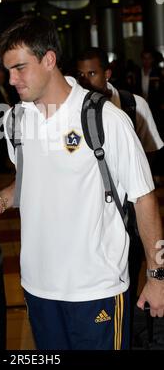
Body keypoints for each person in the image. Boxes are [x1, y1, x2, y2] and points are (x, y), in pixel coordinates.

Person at [0, 15, 164, 350]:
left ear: (48, 59)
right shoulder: (15, 120)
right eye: (8, 70)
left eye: (20, 68)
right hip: (38, 287)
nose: (11, 79)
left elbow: (143, 197)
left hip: (96, 288)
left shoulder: (105, 118)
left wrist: (156, 276)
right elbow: (29, 181)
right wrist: (1, 200)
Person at [76, 47, 164, 341]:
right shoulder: (72, 109)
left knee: (128, 276)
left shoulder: (132, 104)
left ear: (107, 74)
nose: (86, 80)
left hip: (131, 214)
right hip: (93, 215)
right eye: (81, 74)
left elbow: (150, 153)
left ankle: (126, 333)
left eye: (92, 73)